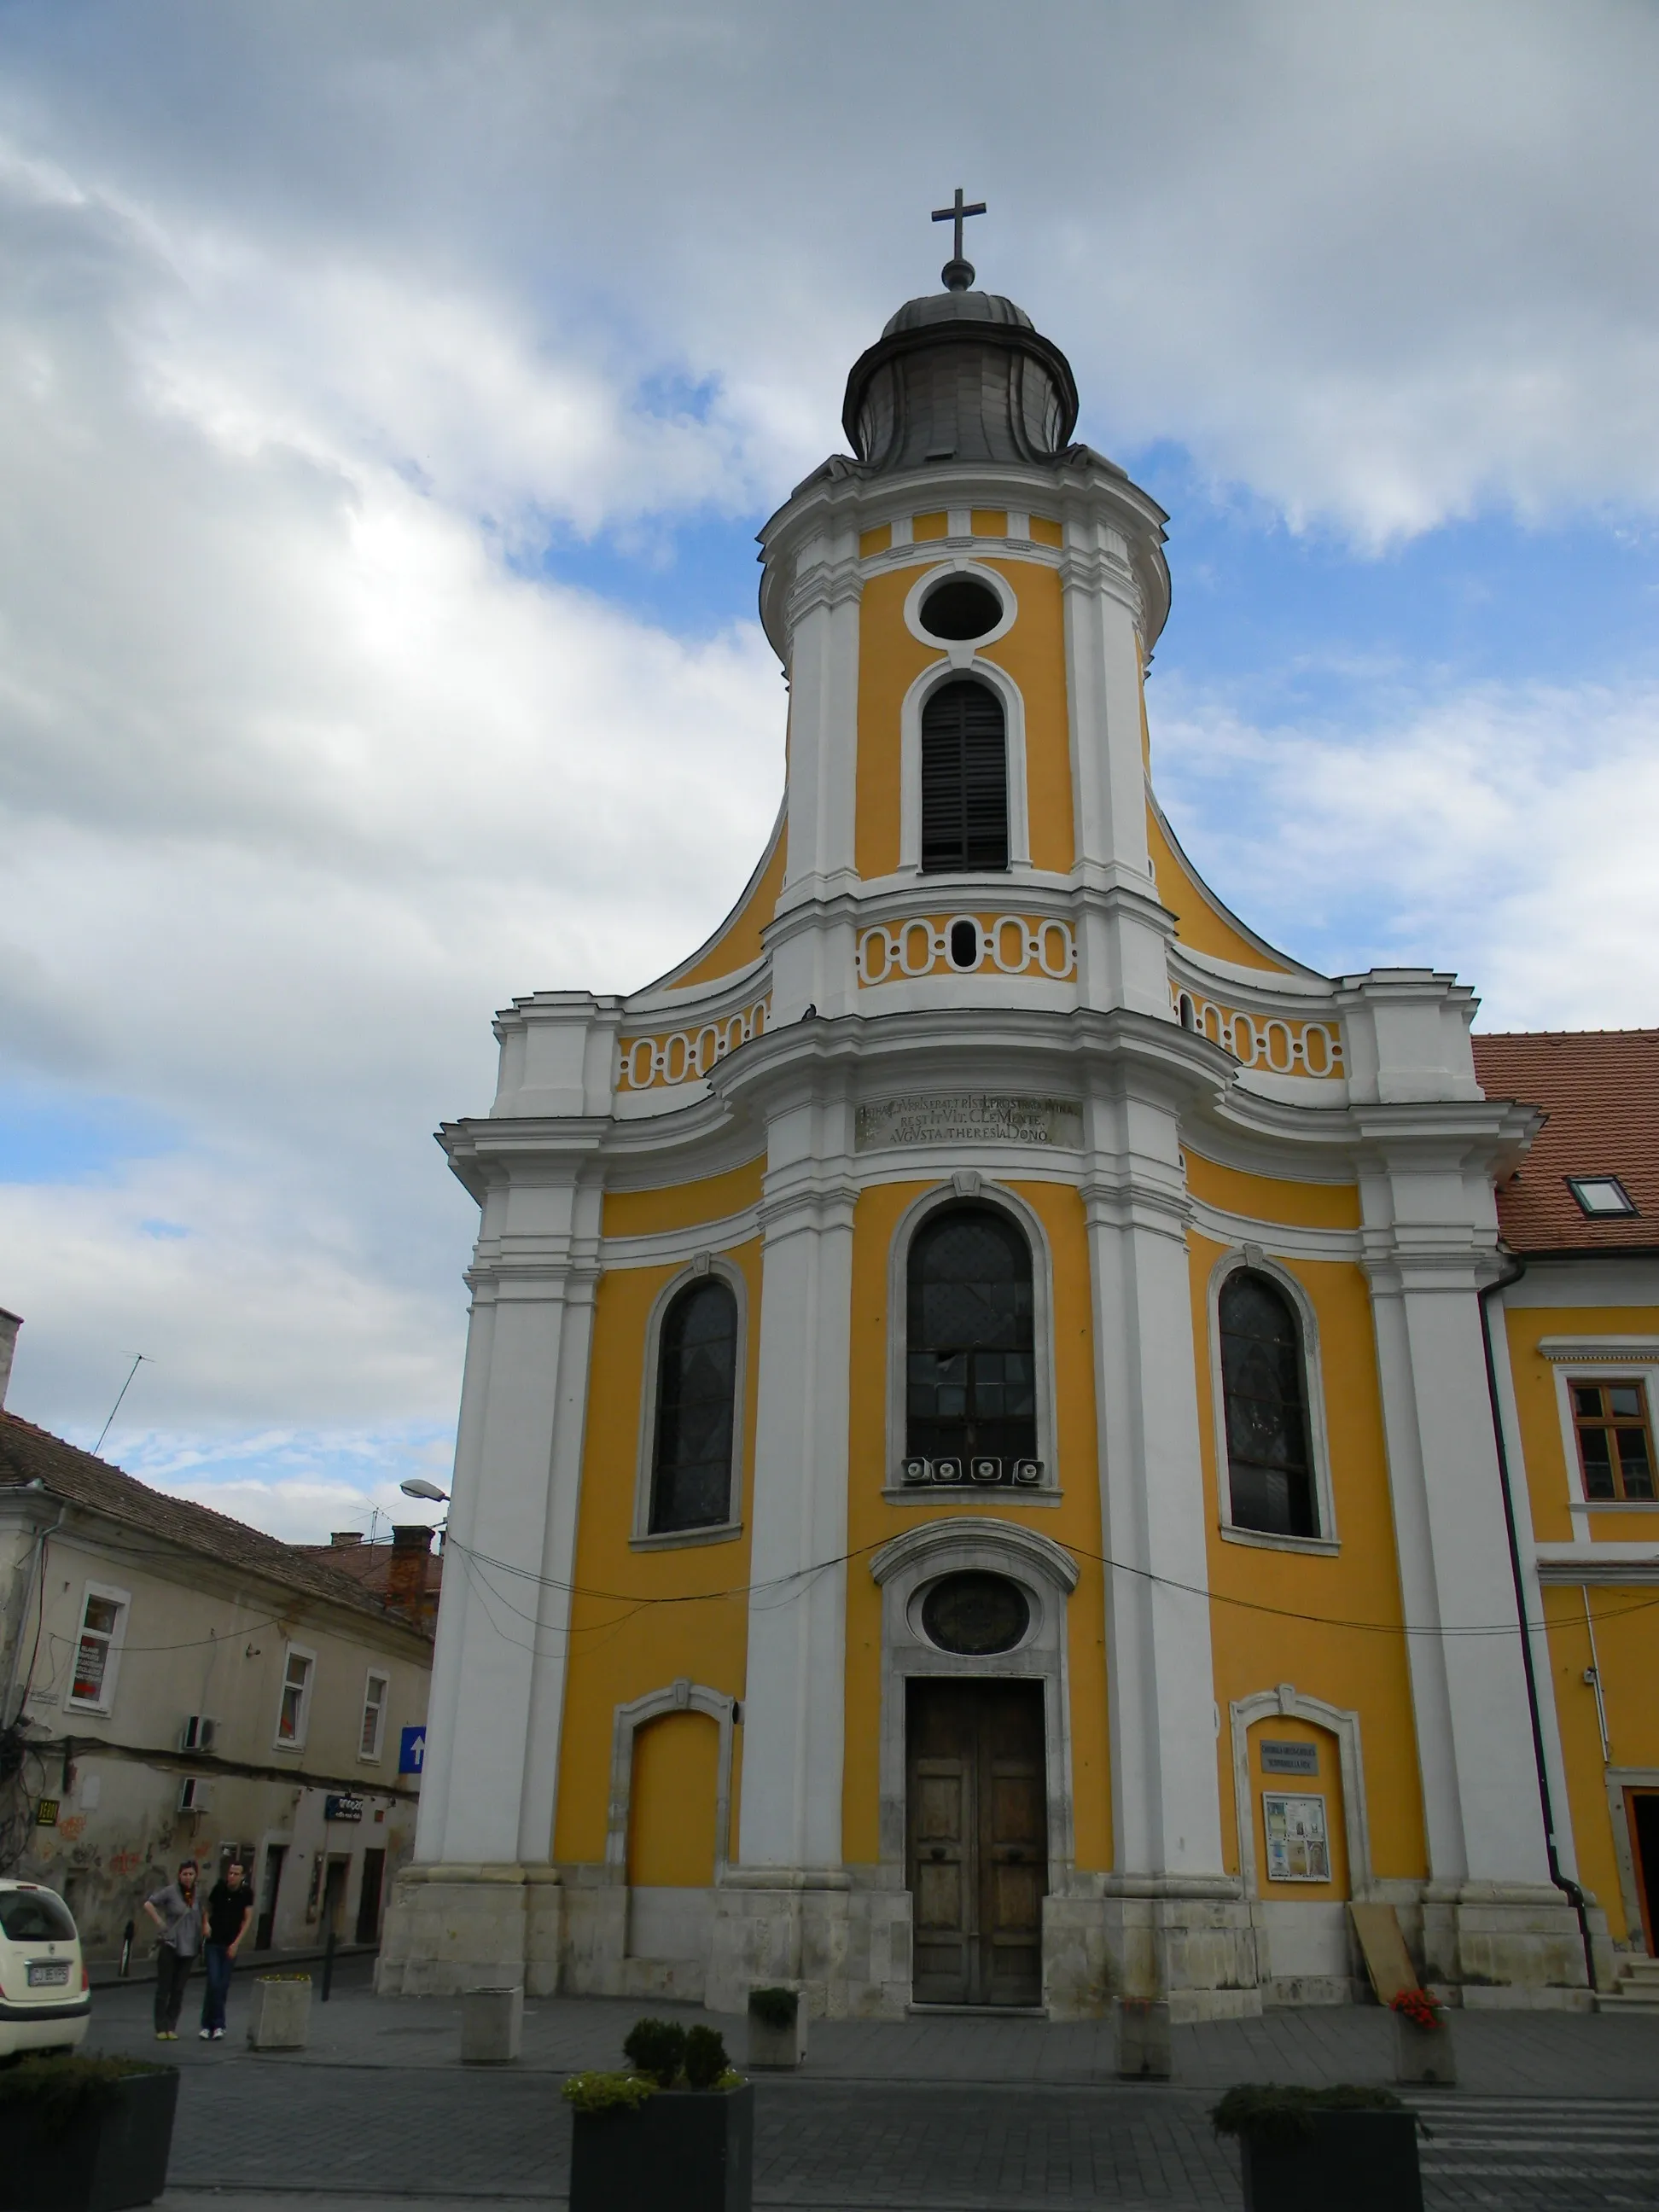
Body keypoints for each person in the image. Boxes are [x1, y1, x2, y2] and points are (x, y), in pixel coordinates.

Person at [143, 1860, 201, 2039]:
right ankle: (161, 2027)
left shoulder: (197, 1894)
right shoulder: (170, 1891)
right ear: (179, 1875)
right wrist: (159, 1921)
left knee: (178, 1990)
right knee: (164, 1988)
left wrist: (205, 1927)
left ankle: (171, 2026)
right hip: (171, 1944)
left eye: (191, 1874)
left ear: (195, 1876)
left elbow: (201, 1912)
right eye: (185, 1874)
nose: (188, 1877)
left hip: (189, 1947)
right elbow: (148, 1904)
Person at [199, 1859, 254, 2040]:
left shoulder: (246, 1894)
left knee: (222, 1986)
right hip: (214, 1943)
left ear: (242, 1876)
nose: (231, 1876)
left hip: (230, 1944)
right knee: (213, 1982)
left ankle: (216, 2026)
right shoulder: (219, 1889)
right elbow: (207, 1908)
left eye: (236, 1874)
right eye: (230, 1873)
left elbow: (247, 1920)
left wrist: (237, 1943)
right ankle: (210, 2024)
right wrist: (206, 1924)